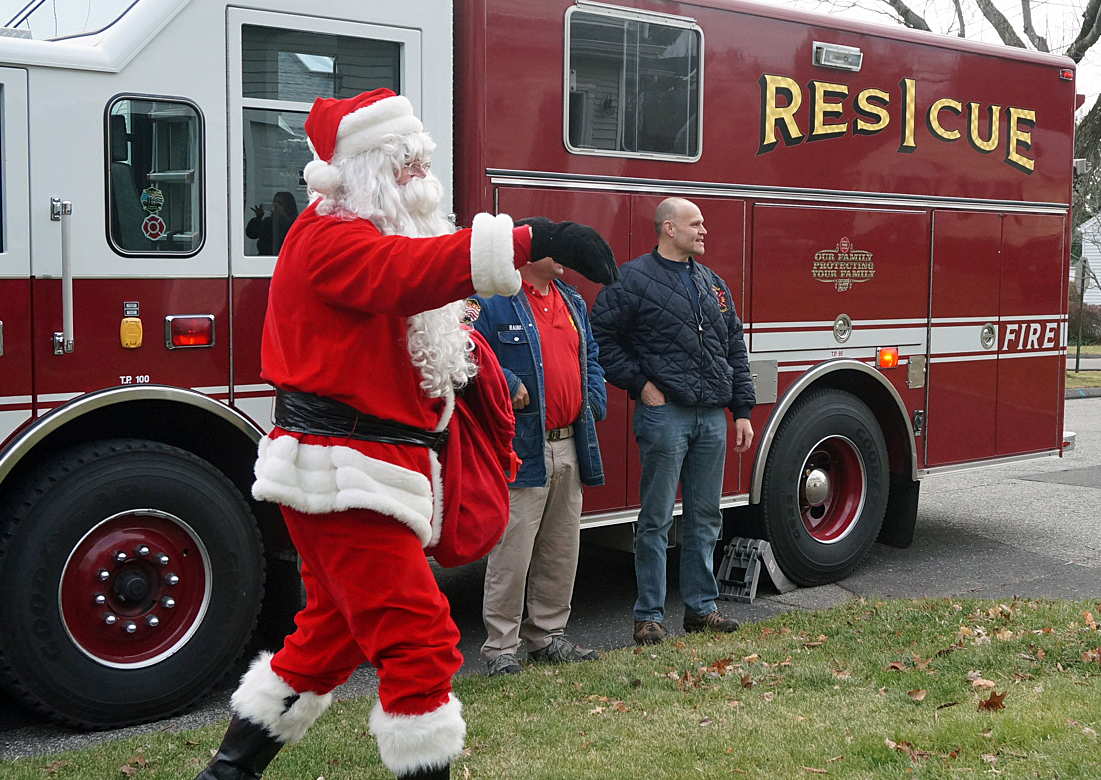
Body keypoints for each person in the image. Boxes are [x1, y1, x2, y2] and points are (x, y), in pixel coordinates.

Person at [191, 88, 616, 780]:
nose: (421, 178)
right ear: (358, 172)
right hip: (341, 474)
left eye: (423, 162)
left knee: (328, 637)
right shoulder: (328, 236)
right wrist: (529, 238)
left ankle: (229, 773)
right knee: (420, 638)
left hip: (365, 469)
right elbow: (404, 276)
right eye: (404, 164)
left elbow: (410, 300)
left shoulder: (372, 233)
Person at [589, 197, 754, 647]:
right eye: (694, 223)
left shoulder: (713, 284)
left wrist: (742, 410)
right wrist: (641, 384)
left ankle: (702, 608)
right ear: (667, 229)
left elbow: (734, 347)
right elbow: (599, 336)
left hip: (712, 418)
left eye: (703, 223)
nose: (704, 230)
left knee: (706, 516)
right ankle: (649, 616)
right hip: (665, 417)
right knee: (656, 519)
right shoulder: (632, 278)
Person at [464, 251, 607, 677]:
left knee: (561, 547)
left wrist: (592, 397)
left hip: (568, 442)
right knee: (513, 551)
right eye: (554, 249)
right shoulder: (490, 300)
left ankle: (547, 635)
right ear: (526, 257)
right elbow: (464, 348)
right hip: (522, 447)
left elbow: (592, 356)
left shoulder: (571, 299)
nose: (564, 258)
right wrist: (505, 382)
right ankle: (501, 648)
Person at [246, 191, 297, 255]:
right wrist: (258, 218)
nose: (276, 206)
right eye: (275, 203)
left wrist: (284, 215)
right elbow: (251, 234)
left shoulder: (295, 223)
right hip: (265, 258)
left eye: (280, 203)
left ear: (288, 206)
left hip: (285, 258)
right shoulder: (268, 222)